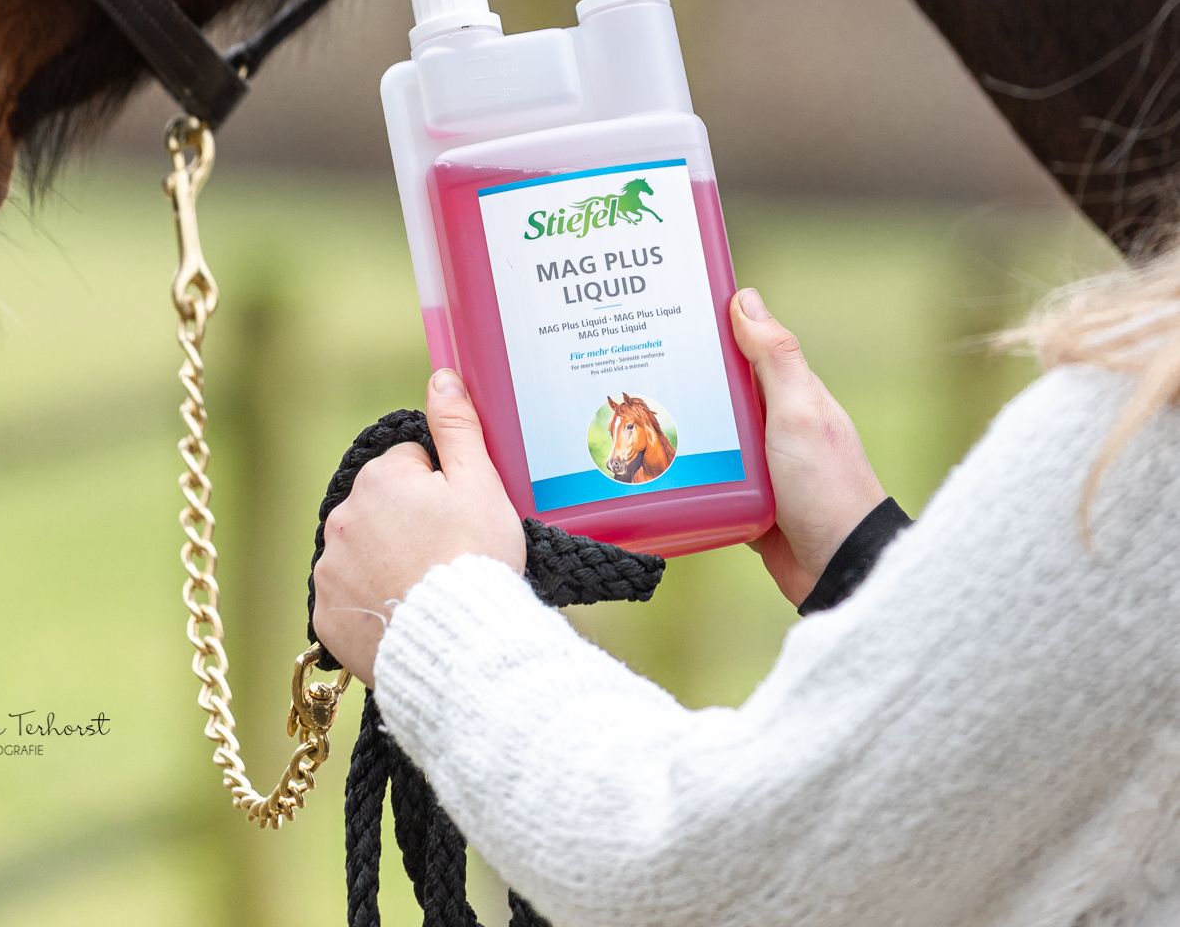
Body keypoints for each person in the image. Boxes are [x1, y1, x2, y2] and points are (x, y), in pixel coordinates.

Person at [313, 254, 1180, 926]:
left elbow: (697, 882)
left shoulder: (1141, 433)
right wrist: (868, 564)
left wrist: (439, 613)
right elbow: (1018, 791)